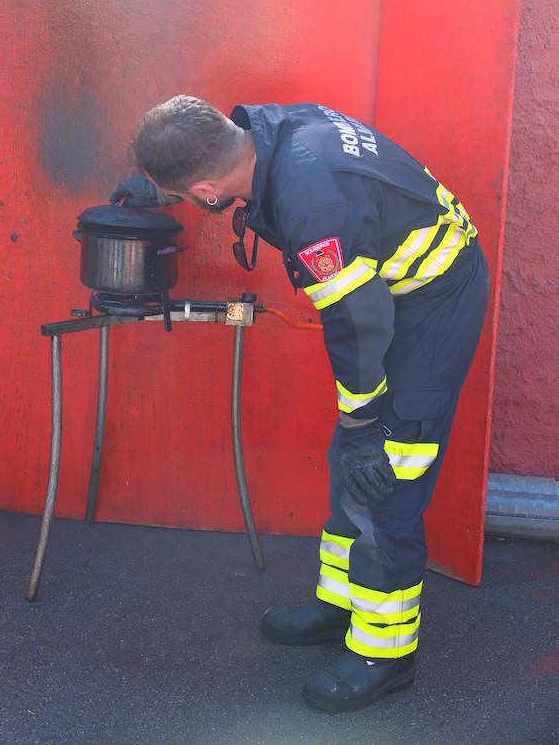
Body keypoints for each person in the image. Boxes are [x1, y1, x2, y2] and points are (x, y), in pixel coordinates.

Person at [112, 95, 489, 713]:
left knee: (385, 469)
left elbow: (359, 321)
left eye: (183, 195)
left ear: (207, 190)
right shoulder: (267, 128)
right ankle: (340, 605)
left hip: (433, 297)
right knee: (352, 458)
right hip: (390, 284)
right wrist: (157, 184)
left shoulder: (314, 209)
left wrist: (364, 423)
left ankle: (385, 652)